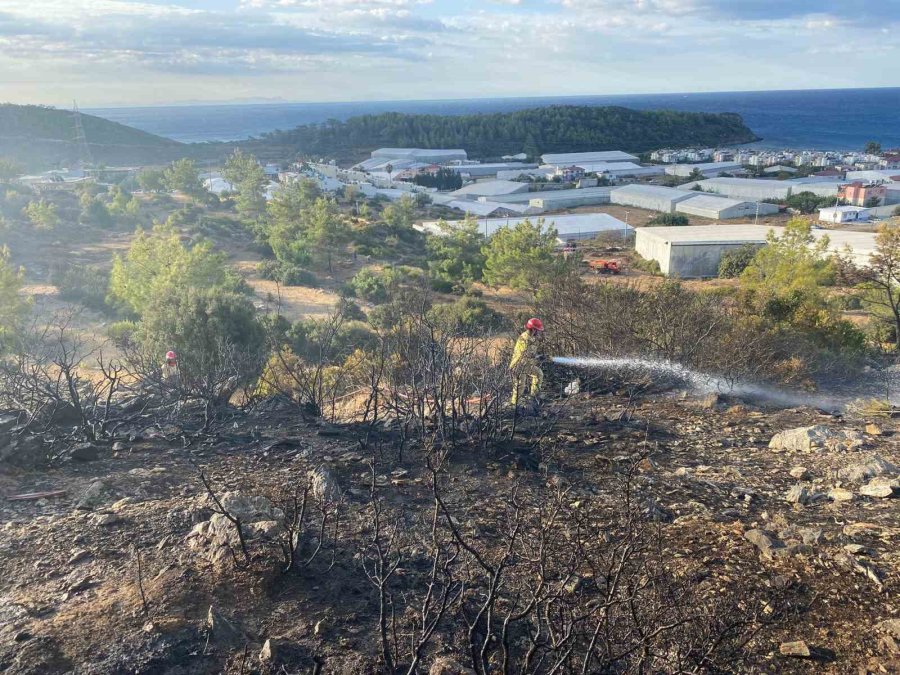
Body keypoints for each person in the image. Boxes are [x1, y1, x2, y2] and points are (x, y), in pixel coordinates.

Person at [509, 318, 545, 408]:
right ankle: (514, 405)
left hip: (526, 365)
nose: (539, 332)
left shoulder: (531, 338)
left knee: (538, 373)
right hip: (518, 365)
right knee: (520, 386)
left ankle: (534, 397)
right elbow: (526, 353)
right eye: (538, 330)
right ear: (533, 329)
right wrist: (538, 357)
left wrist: (540, 356)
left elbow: (532, 353)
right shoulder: (524, 338)